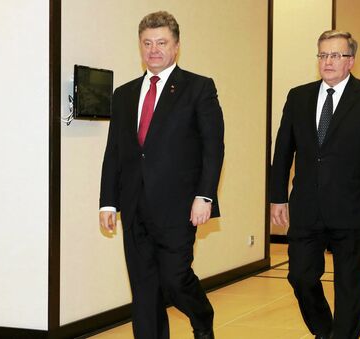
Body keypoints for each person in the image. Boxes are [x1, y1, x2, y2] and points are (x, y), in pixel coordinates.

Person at [99, 11, 224, 339]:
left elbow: (213, 148)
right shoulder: (123, 95)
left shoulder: (198, 88)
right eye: (147, 43)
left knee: (174, 278)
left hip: (180, 206)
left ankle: (202, 315)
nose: (154, 50)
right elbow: (115, 152)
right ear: (140, 46)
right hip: (135, 206)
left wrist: (205, 195)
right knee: (143, 290)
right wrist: (108, 203)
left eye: (162, 42)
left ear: (177, 46)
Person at [270, 30, 360, 339]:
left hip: (352, 207)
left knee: (350, 285)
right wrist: (277, 197)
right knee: (300, 276)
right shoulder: (298, 96)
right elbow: (283, 150)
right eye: (323, 55)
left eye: (336, 55)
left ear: (351, 61)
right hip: (306, 207)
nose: (328, 61)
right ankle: (325, 331)